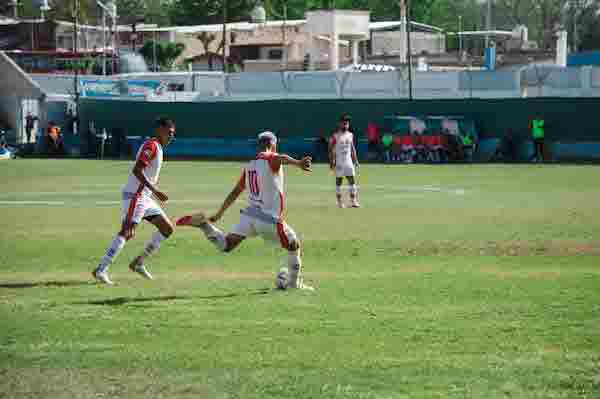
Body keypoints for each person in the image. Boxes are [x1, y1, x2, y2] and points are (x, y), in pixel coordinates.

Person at [176, 131, 314, 291]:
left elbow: (235, 192)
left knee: (226, 245)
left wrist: (220, 213)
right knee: (294, 245)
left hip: (249, 217)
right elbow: (279, 157)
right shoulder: (270, 158)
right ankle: (292, 284)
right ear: (273, 144)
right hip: (268, 219)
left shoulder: (250, 166)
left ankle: (204, 225)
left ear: (258, 145)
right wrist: (298, 163)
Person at [92, 117, 176, 285]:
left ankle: (138, 262)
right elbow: (137, 170)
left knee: (167, 228)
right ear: (159, 130)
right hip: (135, 196)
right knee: (128, 231)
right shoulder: (151, 145)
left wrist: (151, 192)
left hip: (145, 198)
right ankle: (101, 269)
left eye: (173, 134)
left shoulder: (158, 147)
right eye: (169, 132)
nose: (171, 137)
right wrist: (155, 190)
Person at [329, 114, 360, 208]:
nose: (346, 125)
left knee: (352, 181)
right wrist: (332, 162)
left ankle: (353, 201)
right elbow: (330, 150)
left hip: (348, 162)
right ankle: (339, 202)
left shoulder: (350, 135)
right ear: (340, 124)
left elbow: (352, 148)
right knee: (339, 182)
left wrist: (356, 160)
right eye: (344, 123)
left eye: (347, 123)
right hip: (339, 162)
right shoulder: (335, 136)